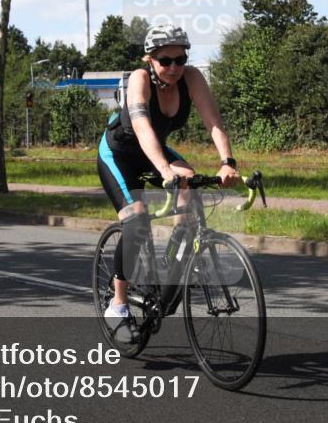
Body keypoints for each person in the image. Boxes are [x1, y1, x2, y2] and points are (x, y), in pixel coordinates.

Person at [97, 23, 240, 341]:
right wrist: (164, 169)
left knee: (190, 181)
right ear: (150, 59)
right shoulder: (140, 79)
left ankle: (175, 256)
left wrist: (227, 163)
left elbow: (214, 122)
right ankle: (118, 304)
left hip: (154, 150)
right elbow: (142, 127)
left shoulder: (192, 78)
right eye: (166, 60)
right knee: (136, 220)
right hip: (119, 154)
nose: (175, 67)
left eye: (181, 59)